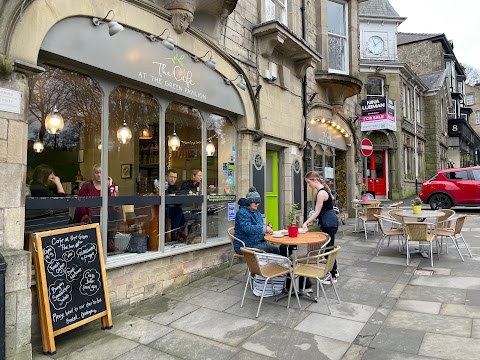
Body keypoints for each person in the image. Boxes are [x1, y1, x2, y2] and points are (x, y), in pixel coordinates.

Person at [302, 171, 339, 284]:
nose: (308, 185)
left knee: (328, 249)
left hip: (328, 223)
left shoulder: (320, 193)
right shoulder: (324, 189)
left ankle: (332, 276)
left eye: (308, 182)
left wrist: (306, 223)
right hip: (332, 221)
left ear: (315, 180)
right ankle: (335, 271)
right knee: (329, 247)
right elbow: (332, 198)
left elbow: (317, 212)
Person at [233, 186, 279, 254]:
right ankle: (263, 264)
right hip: (246, 244)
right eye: (255, 203)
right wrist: (264, 228)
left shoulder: (256, 212)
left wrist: (267, 227)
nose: (257, 204)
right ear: (249, 202)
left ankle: (277, 264)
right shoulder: (242, 213)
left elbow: (260, 225)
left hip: (258, 242)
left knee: (276, 250)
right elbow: (247, 228)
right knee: (269, 251)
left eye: (258, 202)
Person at [165, 169, 186, 241]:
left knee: (183, 212)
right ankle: (174, 233)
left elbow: (178, 201)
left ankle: (179, 231)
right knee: (179, 211)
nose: (173, 179)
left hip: (173, 208)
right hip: (164, 209)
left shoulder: (175, 187)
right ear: (166, 177)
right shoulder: (163, 186)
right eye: (171, 177)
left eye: (175, 178)